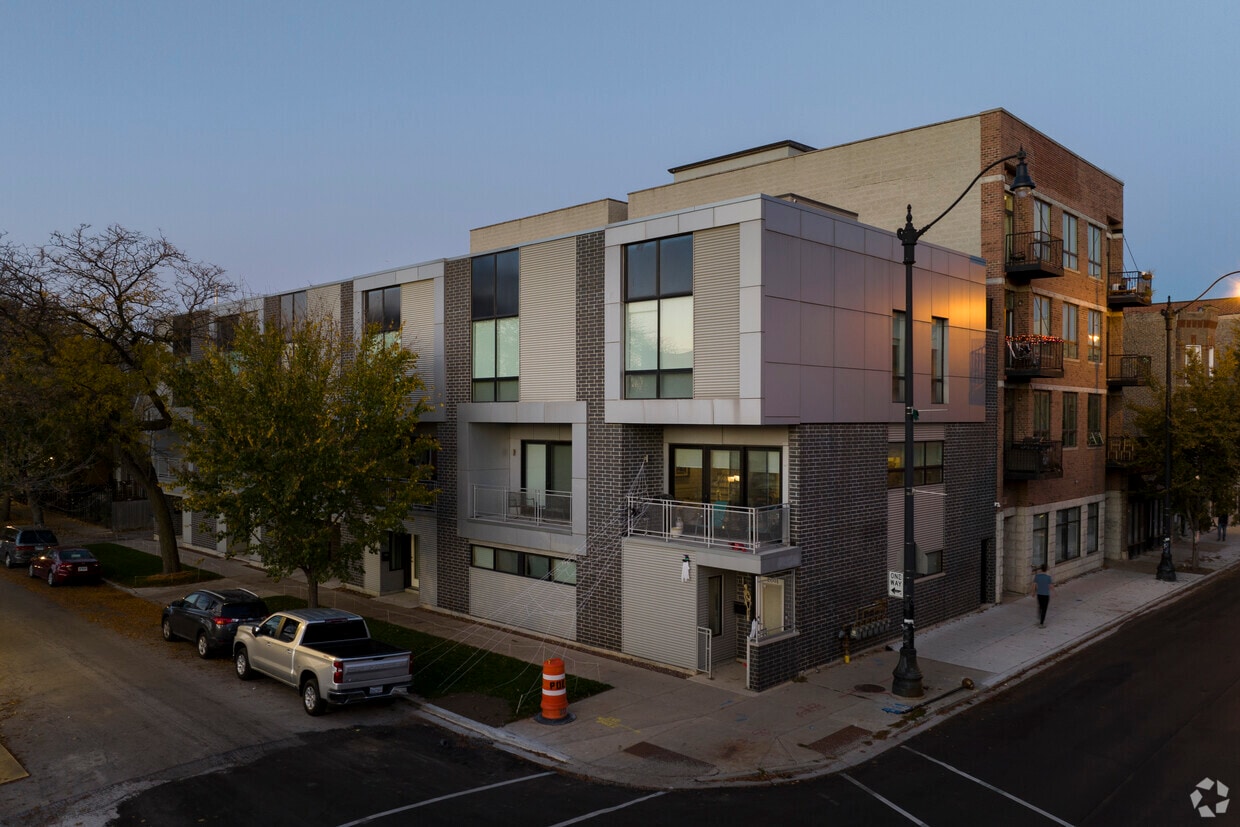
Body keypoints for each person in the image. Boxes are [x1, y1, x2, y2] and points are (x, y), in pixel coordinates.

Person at [1033, 563, 1053, 628]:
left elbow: (1034, 585)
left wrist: (1033, 593)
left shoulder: (1037, 576)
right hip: (1046, 595)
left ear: (1041, 569)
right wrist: (1055, 592)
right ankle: (1041, 623)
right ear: (1046, 570)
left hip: (1039, 594)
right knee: (1044, 609)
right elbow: (1050, 586)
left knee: (1040, 606)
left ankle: (1039, 615)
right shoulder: (1048, 577)